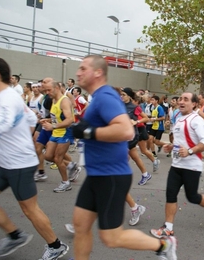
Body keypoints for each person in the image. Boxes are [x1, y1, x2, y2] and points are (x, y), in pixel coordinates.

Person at [71, 55, 176, 260]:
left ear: (98, 72)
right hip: (96, 173)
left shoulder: (105, 96)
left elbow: (126, 131)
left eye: (83, 68)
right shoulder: (97, 98)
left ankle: (163, 245)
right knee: (80, 225)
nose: (78, 72)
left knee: (111, 237)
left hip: (110, 175)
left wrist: (87, 132)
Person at [0, 57, 69, 259]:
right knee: (29, 208)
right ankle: (15, 235)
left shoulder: (7, 99)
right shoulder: (4, 97)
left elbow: (1, 124)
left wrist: (20, 145)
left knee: (29, 209)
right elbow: (29, 117)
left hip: (18, 164)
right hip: (3, 162)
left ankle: (55, 246)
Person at [150, 92, 204, 238]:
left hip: (192, 165)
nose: (181, 102)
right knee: (170, 194)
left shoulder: (196, 120)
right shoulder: (179, 119)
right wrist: (172, 146)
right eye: (180, 99)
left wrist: (190, 151)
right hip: (177, 164)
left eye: (186, 99)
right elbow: (182, 141)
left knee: (192, 197)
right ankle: (168, 228)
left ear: (194, 104)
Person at [40, 81, 78, 192]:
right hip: (56, 132)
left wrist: (53, 126)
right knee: (48, 156)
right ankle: (71, 165)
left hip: (65, 132)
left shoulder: (64, 100)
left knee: (58, 158)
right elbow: (57, 117)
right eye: (46, 90)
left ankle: (66, 183)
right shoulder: (54, 100)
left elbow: (70, 120)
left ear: (56, 88)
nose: (47, 93)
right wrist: (47, 120)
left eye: (49, 90)